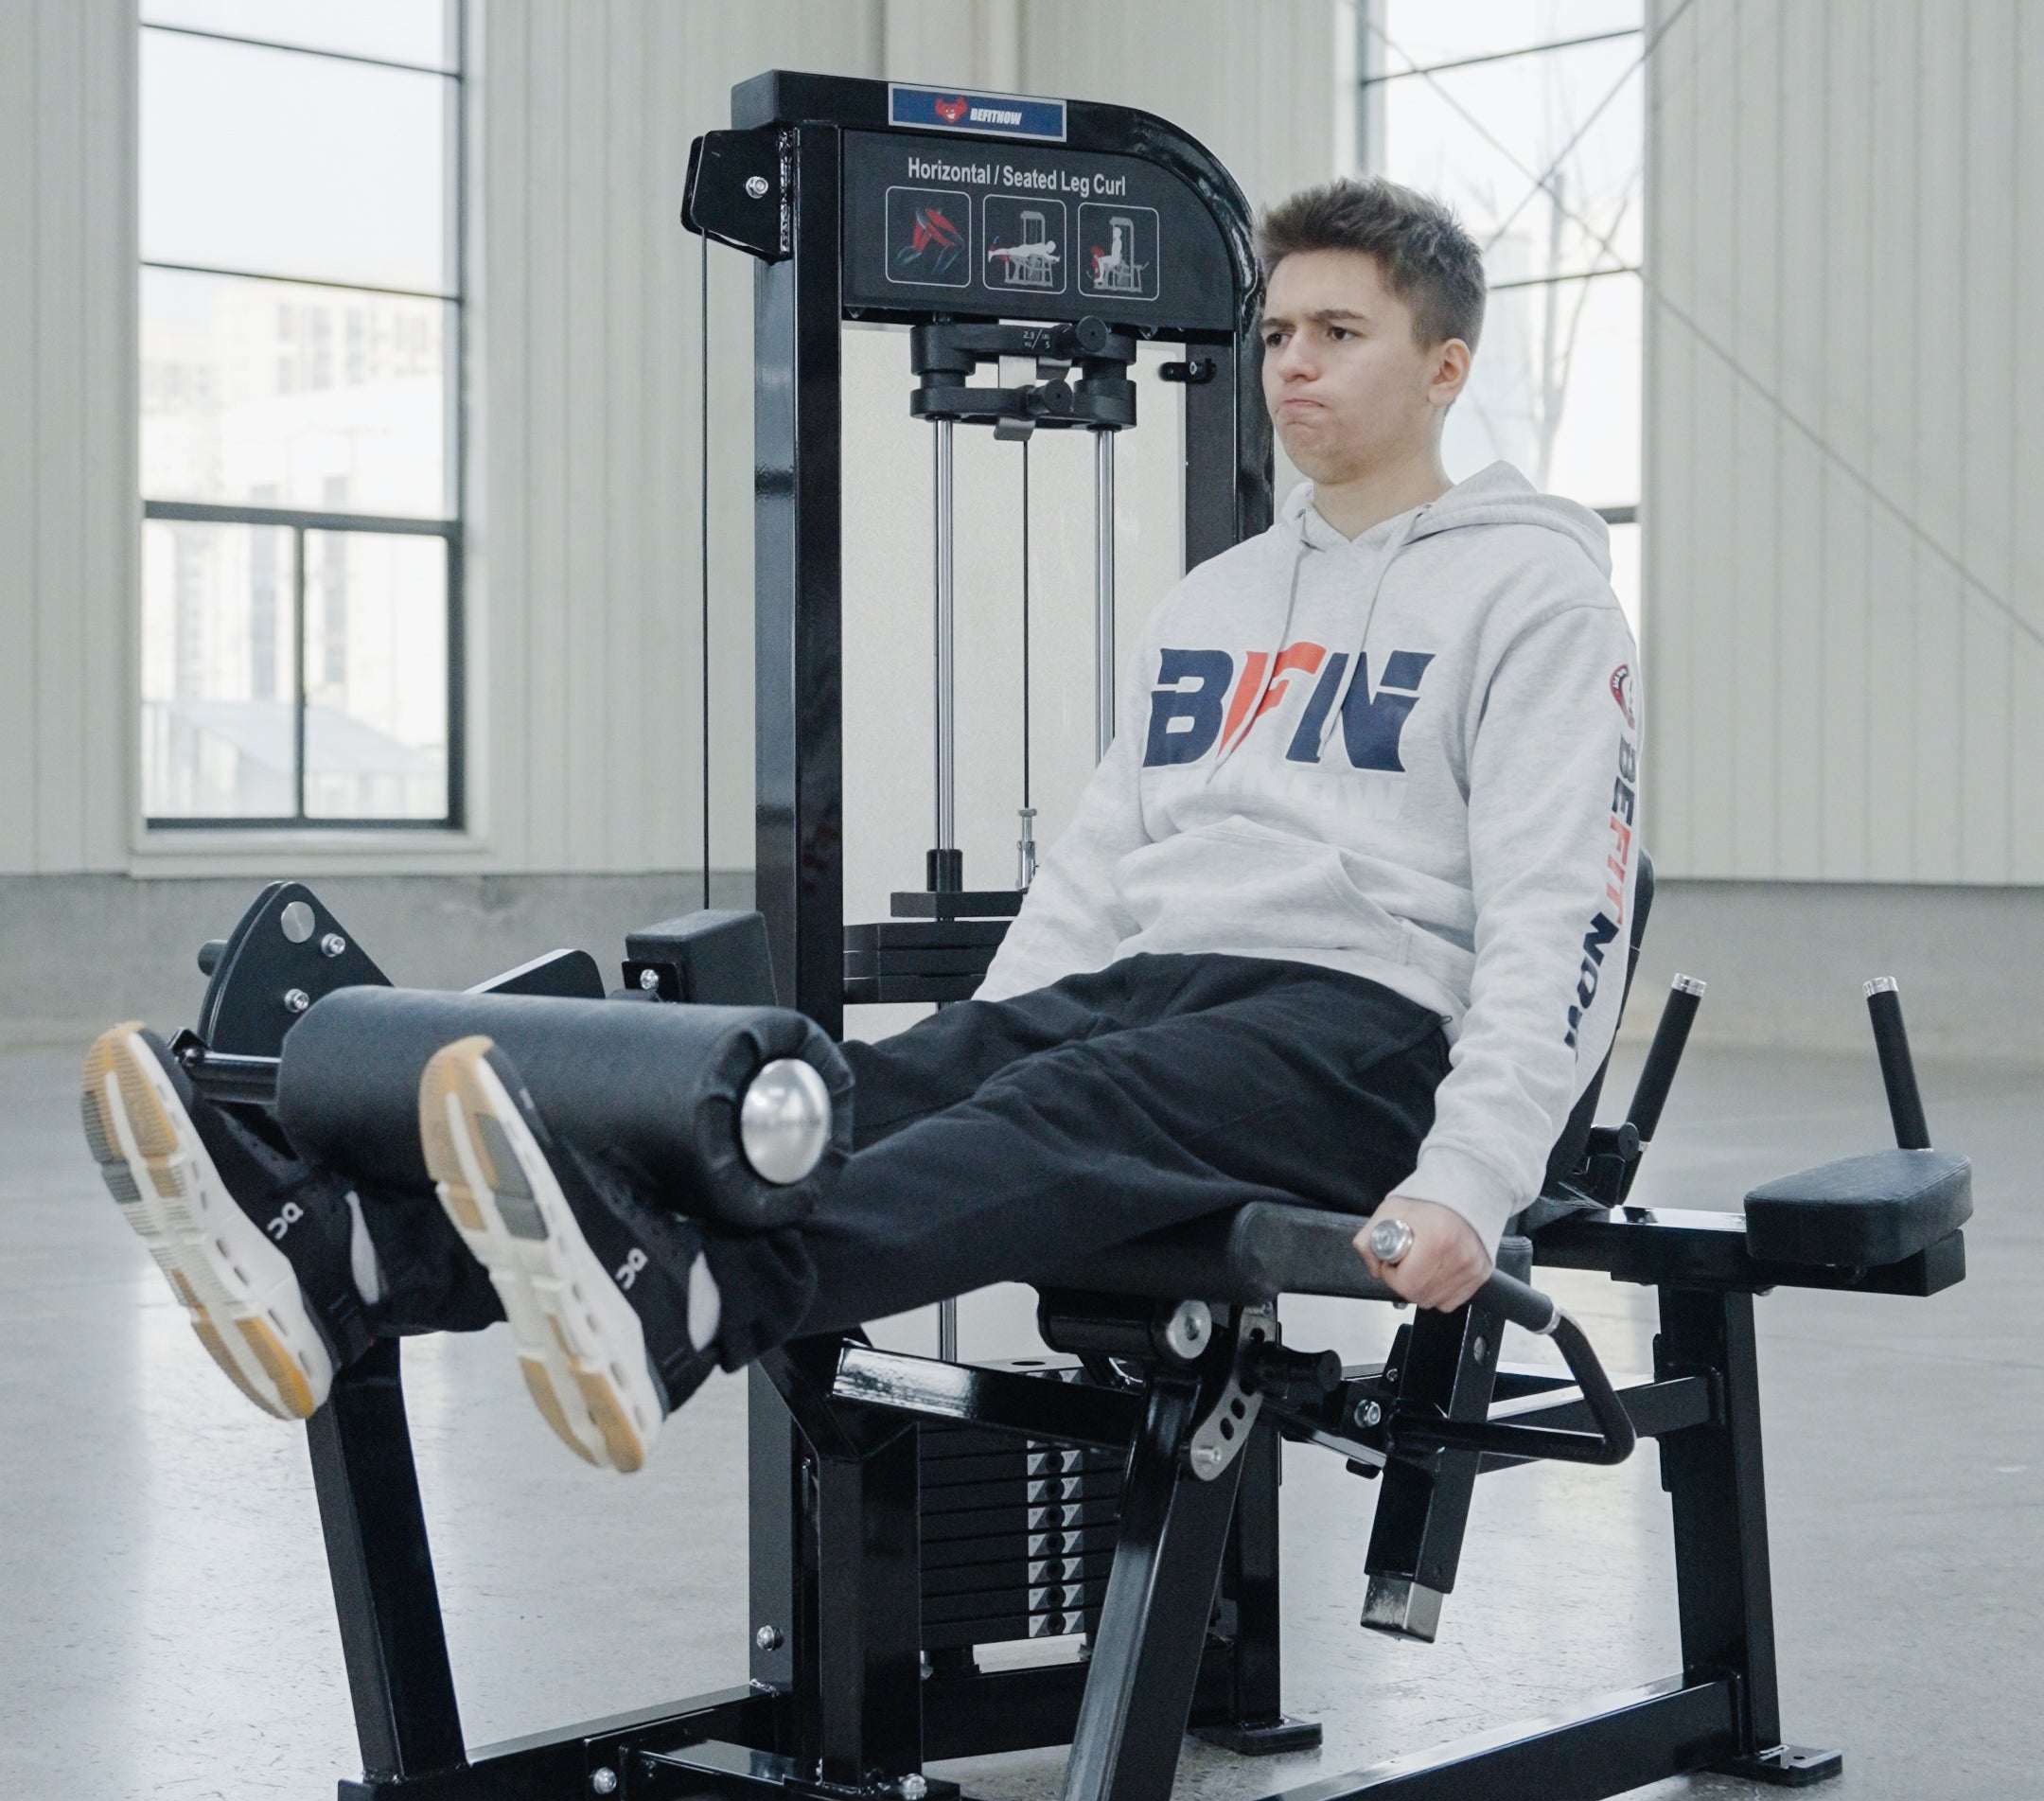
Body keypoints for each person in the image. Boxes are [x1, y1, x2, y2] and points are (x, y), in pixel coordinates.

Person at [82, 177, 1642, 1474]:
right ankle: (360, 1264)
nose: (1293, 365)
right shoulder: (1217, 602)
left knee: (1067, 1106)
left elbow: (1563, 908)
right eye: (1279, 332)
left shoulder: (1534, 594)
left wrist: (1472, 1174)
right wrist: (990, 1038)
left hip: (1371, 1036)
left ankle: (702, 1298)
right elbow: (1099, 866)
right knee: (850, 1095)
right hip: (1169, 997)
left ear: (1445, 368)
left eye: (1340, 335)